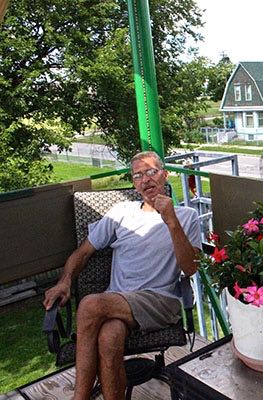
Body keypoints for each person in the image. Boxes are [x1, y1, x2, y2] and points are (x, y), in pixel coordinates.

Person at [43, 150, 201, 400]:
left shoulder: (186, 216)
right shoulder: (121, 212)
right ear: (134, 183)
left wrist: (171, 221)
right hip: (119, 301)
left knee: (90, 304)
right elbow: (82, 253)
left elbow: (191, 267)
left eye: (152, 171)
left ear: (164, 175)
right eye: (138, 175)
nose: (146, 180)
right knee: (109, 337)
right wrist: (64, 282)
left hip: (160, 300)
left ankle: (79, 397)